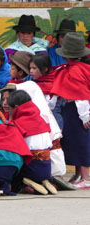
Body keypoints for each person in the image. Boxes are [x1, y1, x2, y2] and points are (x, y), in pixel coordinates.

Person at [50, 32, 90, 189]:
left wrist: (85, 116)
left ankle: (85, 177)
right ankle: (79, 174)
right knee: (74, 142)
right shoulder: (76, 69)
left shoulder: (74, 71)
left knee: (81, 143)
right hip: (72, 110)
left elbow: (81, 95)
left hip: (78, 112)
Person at [8, 90, 57, 195]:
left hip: (31, 168)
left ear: (16, 107)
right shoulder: (40, 119)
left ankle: (25, 185)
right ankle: (44, 180)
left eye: (10, 109)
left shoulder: (18, 124)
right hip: (46, 167)